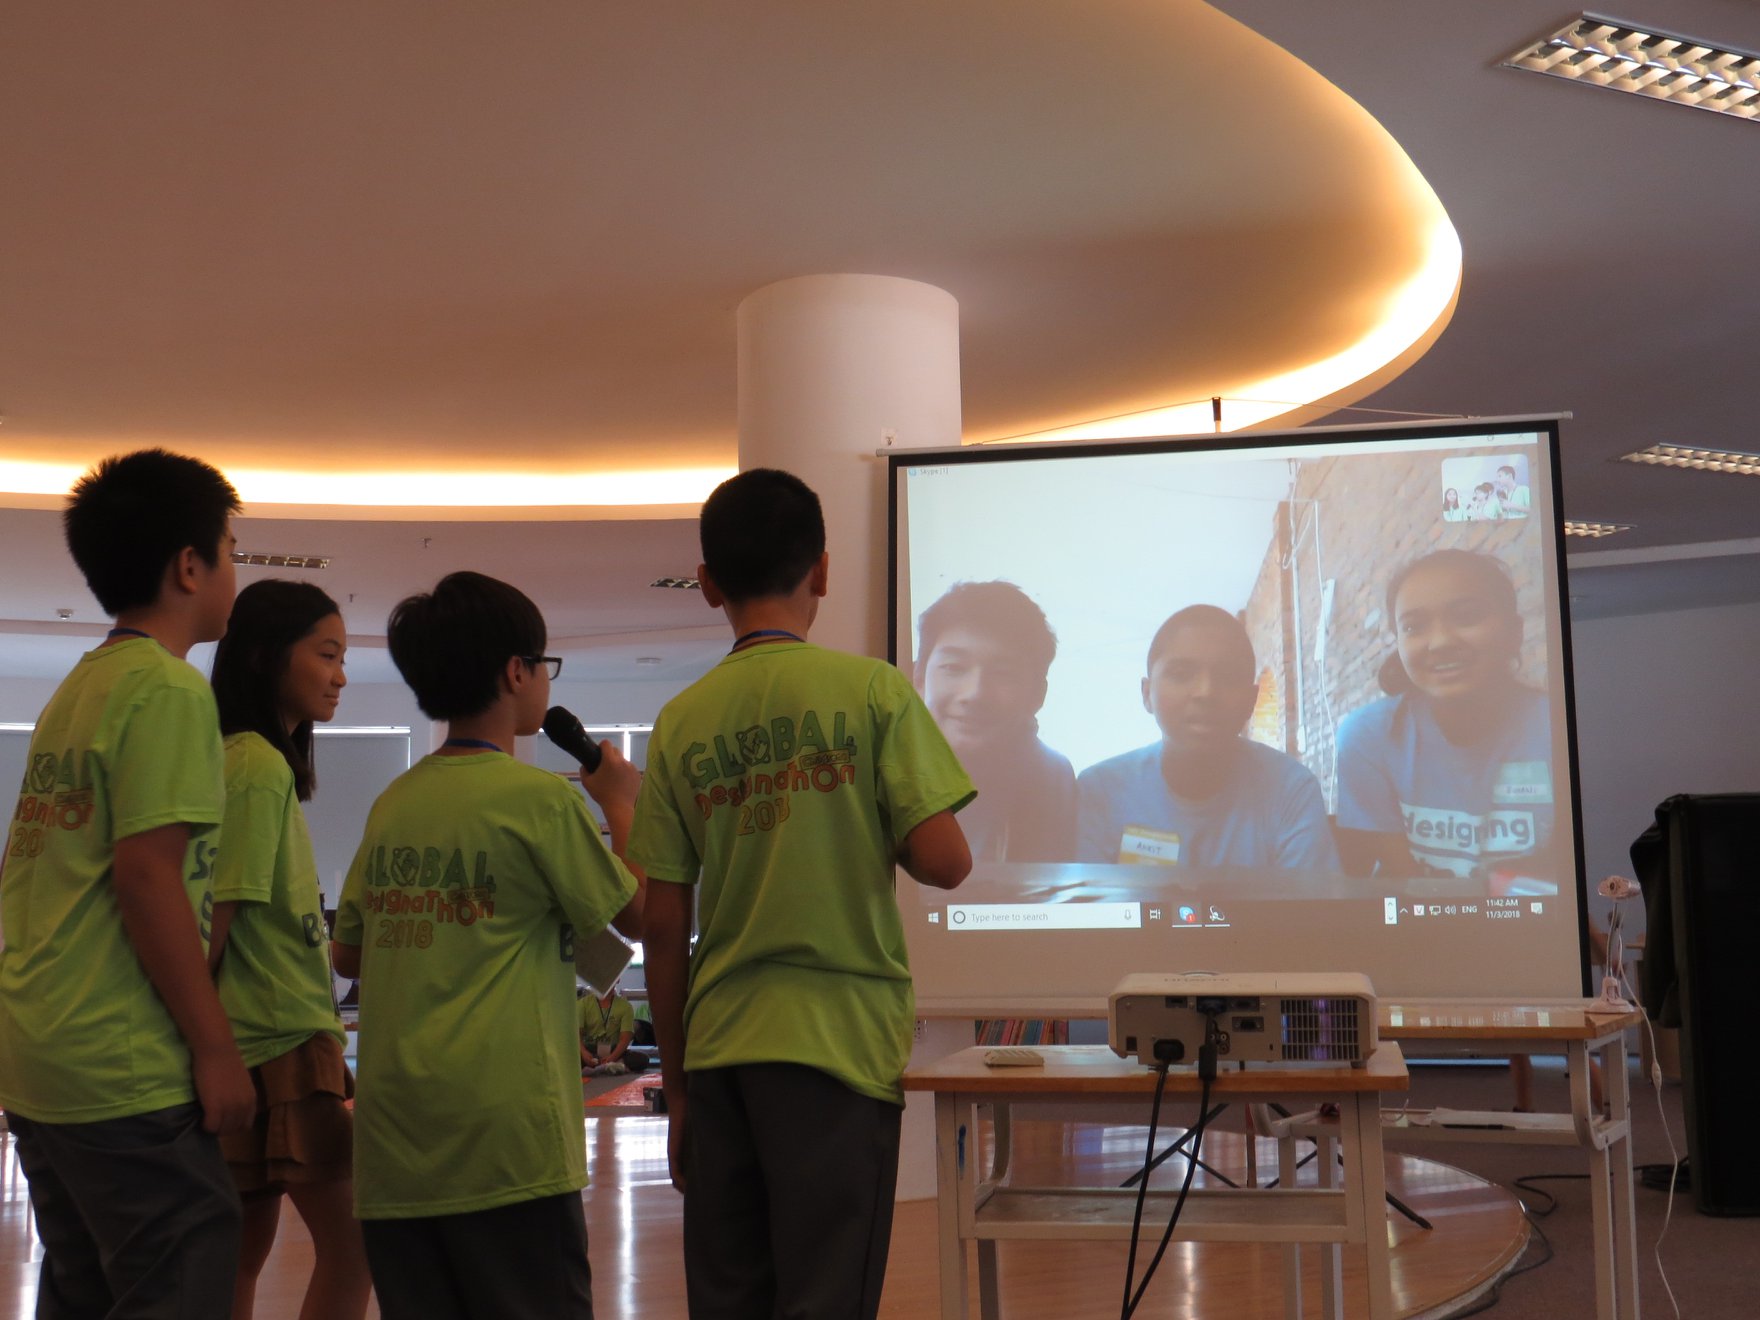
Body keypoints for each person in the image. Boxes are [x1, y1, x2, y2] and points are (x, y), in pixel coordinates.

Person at [630, 468, 974, 1320]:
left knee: (729, 1300)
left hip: (720, 1052)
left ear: (707, 584)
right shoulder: (873, 692)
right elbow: (947, 861)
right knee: (826, 1298)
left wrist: (678, 1088)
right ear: (822, 569)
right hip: (837, 1047)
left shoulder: (680, 722)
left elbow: (663, 926)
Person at [332, 571, 646, 1320]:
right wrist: (622, 804)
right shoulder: (539, 802)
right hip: (507, 1147)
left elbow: (349, 956)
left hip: (396, 1149)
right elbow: (637, 917)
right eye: (544, 663)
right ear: (515, 672)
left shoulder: (394, 803)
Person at [0, 449, 253, 1319]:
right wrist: (215, 1048)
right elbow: (147, 879)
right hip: (120, 1061)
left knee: (87, 1292)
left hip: (42, 1055)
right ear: (190, 566)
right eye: (230, 548)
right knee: (186, 1261)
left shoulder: (80, 690)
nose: (234, 567)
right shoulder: (167, 689)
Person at [208, 579, 371, 1320]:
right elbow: (217, 921)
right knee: (354, 1247)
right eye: (327, 655)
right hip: (278, 1044)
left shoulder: (248, 761)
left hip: (261, 1041)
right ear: (266, 657)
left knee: (239, 1256)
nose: (341, 676)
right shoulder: (254, 764)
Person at [1334, 549, 1553, 884]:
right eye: (1413, 626)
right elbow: (1411, 886)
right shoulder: (1369, 738)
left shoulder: (1558, 729)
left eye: (1467, 617)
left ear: (1514, 631)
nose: (1440, 642)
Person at [1077, 605, 1337, 872]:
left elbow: (1311, 900)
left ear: (1251, 701)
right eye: (1181, 674)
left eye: (1228, 677)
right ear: (1147, 694)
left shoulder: (1291, 789)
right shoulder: (1100, 792)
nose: (1206, 692)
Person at [913, 581, 1074, 861]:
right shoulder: (878, 768)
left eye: (1003, 673)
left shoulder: (1051, 775)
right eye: (953, 667)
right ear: (917, 679)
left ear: (1038, 694)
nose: (975, 694)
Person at [579, 980, 646, 1074]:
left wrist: (612, 1057)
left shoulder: (625, 1006)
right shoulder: (583, 1004)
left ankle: (610, 1065)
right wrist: (584, 1053)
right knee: (567, 1058)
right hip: (590, 1049)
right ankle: (614, 1066)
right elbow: (577, 1034)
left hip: (614, 1050)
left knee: (642, 1059)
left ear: (617, 980)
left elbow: (625, 1039)